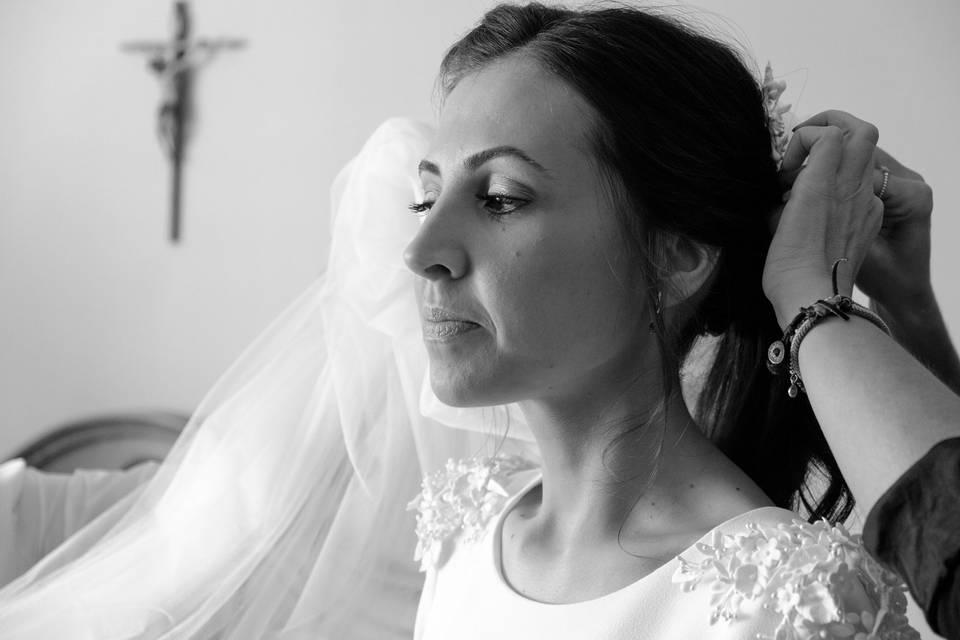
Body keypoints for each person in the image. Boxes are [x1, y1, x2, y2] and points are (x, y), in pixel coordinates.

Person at [0, 4, 949, 640]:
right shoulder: (464, 532)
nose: (419, 254)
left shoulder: (788, 604)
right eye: (426, 199)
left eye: (499, 199)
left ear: (678, 254)